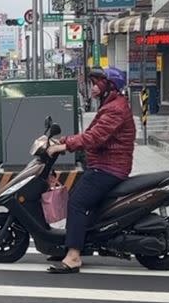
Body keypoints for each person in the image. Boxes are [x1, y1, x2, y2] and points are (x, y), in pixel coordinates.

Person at [45, 67, 135, 274]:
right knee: (83, 200)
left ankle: (74, 256)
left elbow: (95, 137)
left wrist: (64, 145)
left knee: (76, 202)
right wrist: (63, 140)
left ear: (108, 86)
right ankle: (75, 244)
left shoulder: (115, 109)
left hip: (109, 168)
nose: (92, 88)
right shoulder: (112, 105)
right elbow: (94, 134)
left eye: (96, 84)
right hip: (104, 164)